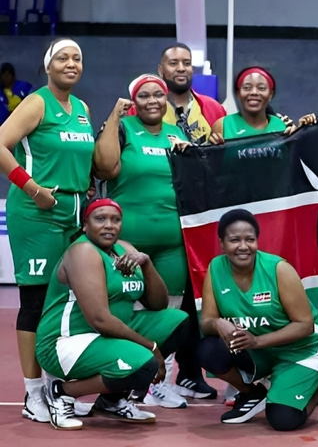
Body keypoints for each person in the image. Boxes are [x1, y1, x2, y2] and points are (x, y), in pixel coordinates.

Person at [0, 38, 95, 424]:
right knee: (36, 303)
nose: (71, 63)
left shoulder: (84, 109)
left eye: (77, 58)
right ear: (48, 66)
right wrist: (31, 187)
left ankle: (57, 388)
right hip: (37, 212)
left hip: (72, 214)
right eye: (62, 58)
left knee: (62, 306)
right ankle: (32, 393)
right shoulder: (37, 102)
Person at [35, 198, 189, 430]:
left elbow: (158, 304)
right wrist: (152, 347)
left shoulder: (125, 250)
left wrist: (146, 265)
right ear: (85, 224)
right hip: (65, 342)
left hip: (105, 338)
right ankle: (61, 392)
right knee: (144, 363)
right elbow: (100, 320)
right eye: (101, 219)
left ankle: (112, 399)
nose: (109, 225)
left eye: (115, 220)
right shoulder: (83, 252)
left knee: (178, 323)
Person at [196, 209, 318, 429]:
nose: (243, 246)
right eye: (234, 240)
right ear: (222, 244)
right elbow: (206, 321)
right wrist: (217, 322)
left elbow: (305, 326)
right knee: (208, 350)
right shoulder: (215, 268)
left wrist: (257, 342)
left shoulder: (278, 269)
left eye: (249, 239)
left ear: (257, 242)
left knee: (283, 420)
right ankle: (252, 393)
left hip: (302, 349)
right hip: (259, 348)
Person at [93, 74, 195, 409]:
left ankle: (158, 383)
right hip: (129, 241)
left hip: (173, 242)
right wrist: (113, 117)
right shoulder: (124, 130)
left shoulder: (178, 134)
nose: (152, 101)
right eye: (144, 96)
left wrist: (189, 155)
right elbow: (104, 168)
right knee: (129, 313)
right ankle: (127, 380)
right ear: (133, 101)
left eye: (158, 95)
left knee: (170, 313)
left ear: (167, 100)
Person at [128, 43, 226, 145]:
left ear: (192, 69)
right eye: (173, 63)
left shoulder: (214, 108)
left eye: (187, 63)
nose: (181, 68)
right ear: (161, 70)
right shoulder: (140, 108)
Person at [209, 66, 288, 144]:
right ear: (238, 93)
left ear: (271, 94)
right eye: (247, 87)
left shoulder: (282, 126)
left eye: (261, 88)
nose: (254, 92)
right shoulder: (223, 125)